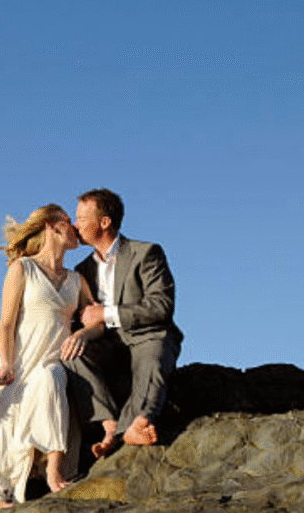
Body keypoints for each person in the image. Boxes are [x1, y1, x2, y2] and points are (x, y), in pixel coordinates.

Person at [0, 205, 105, 513]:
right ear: (53, 226)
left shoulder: (77, 280)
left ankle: (54, 467)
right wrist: (7, 362)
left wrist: (82, 334)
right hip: (17, 362)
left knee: (51, 379)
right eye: (70, 222)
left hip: (52, 360)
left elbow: (96, 321)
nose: (76, 229)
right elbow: (6, 324)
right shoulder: (22, 269)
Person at [65, 188, 183, 451]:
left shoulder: (147, 253)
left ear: (104, 222)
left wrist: (106, 313)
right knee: (70, 354)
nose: (76, 225)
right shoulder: (81, 270)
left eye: (82, 218)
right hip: (107, 343)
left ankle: (137, 424)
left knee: (152, 358)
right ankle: (108, 425)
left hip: (147, 335)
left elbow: (161, 306)